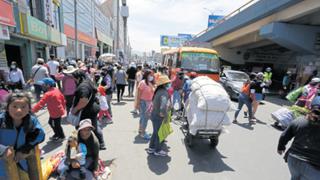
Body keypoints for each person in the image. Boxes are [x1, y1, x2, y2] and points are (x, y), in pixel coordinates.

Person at [0, 91, 45, 179]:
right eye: (14, 106)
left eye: (23, 107)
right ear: (7, 107)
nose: (19, 110)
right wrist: (3, 150)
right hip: (2, 163)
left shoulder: (31, 120)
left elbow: (40, 135)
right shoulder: (1, 120)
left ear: (29, 108)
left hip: (21, 161)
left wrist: (25, 150)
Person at [277, 96, 320, 180]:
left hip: (293, 159)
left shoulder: (299, 121)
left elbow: (284, 136)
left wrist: (281, 147)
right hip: (313, 166)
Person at [71, 70, 106, 150]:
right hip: (91, 109)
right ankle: (100, 143)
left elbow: (84, 100)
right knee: (94, 127)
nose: (74, 80)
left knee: (86, 128)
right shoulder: (88, 81)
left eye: (74, 79)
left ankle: (90, 145)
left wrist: (75, 109)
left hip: (87, 111)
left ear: (79, 78)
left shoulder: (83, 86)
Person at [147, 75, 171, 156]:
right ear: (164, 84)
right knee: (159, 134)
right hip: (158, 116)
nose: (169, 84)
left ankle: (151, 148)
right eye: (167, 83)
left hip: (154, 114)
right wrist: (163, 114)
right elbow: (163, 106)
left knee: (155, 132)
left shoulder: (158, 91)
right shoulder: (164, 92)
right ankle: (157, 150)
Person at [136, 70, 155, 140]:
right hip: (143, 102)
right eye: (150, 75)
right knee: (145, 118)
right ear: (147, 75)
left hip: (149, 102)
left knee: (143, 117)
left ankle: (141, 129)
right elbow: (138, 94)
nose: (152, 76)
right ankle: (143, 133)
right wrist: (137, 103)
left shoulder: (150, 83)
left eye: (152, 75)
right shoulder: (142, 83)